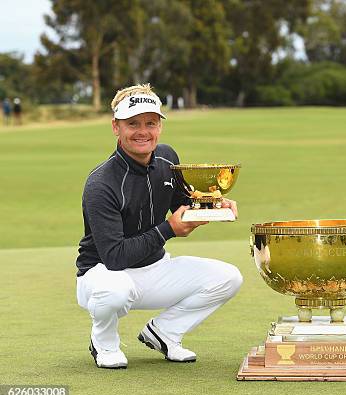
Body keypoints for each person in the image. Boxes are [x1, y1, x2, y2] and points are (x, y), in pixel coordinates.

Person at [75, 83, 243, 369]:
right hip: (103, 275)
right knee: (115, 291)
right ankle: (104, 342)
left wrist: (213, 205)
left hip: (155, 270)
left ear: (160, 127)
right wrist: (168, 229)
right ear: (116, 127)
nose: (143, 131)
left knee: (228, 277)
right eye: (133, 123)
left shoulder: (167, 158)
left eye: (150, 123)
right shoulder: (101, 183)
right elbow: (114, 257)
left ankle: (164, 333)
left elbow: (182, 205)